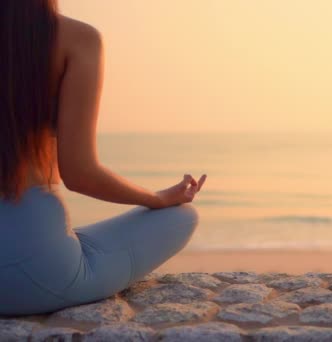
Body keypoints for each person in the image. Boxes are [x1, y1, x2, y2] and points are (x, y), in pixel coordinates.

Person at [0, 1, 206, 315]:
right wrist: (156, 198)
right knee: (181, 217)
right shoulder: (74, 38)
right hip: (35, 272)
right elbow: (81, 174)